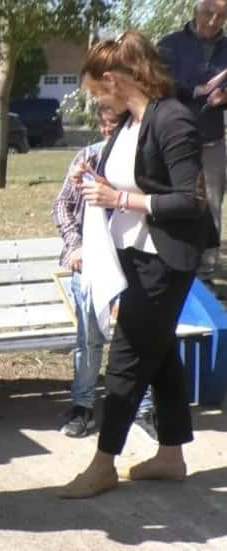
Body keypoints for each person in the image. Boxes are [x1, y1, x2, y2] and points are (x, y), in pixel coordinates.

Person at [57, 31, 207, 499]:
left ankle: (103, 464)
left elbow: (192, 200)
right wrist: (95, 181)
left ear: (114, 80)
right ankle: (171, 455)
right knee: (158, 354)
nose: (95, 102)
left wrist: (118, 197)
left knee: (126, 356)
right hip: (131, 259)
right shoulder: (127, 126)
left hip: (165, 259)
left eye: (96, 92)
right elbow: (132, 181)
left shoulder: (172, 119)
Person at [53, 107, 121, 438]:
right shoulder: (87, 157)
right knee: (89, 340)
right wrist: (74, 246)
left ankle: (144, 409)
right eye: (105, 126)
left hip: (128, 262)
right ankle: (83, 407)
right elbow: (61, 205)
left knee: (134, 340)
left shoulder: (139, 161)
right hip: (90, 263)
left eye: (116, 126)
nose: (108, 133)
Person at [158, 0, 227, 280]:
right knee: (172, 200)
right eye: (209, 13)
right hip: (173, 140)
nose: (213, 21)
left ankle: (206, 271)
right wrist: (195, 90)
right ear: (196, 11)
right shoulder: (170, 45)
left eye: (221, 16)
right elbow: (157, 84)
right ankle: (172, 263)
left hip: (212, 140)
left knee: (210, 204)